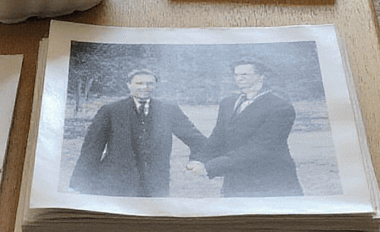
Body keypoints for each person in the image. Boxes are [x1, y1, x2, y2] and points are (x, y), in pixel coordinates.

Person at [69, 69, 208, 197]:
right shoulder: (110, 111)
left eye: (150, 83)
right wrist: (80, 184)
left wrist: (196, 160)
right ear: (129, 85)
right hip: (114, 184)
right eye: (139, 83)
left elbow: (197, 140)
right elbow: (91, 150)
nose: (144, 87)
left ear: (155, 86)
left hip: (155, 186)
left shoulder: (169, 110)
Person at [189, 59, 302, 196]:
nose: (239, 78)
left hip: (270, 181)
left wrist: (211, 167)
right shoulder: (228, 103)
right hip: (235, 180)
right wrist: (199, 159)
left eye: (244, 75)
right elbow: (218, 137)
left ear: (261, 76)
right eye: (236, 75)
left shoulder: (280, 107)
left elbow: (260, 147)